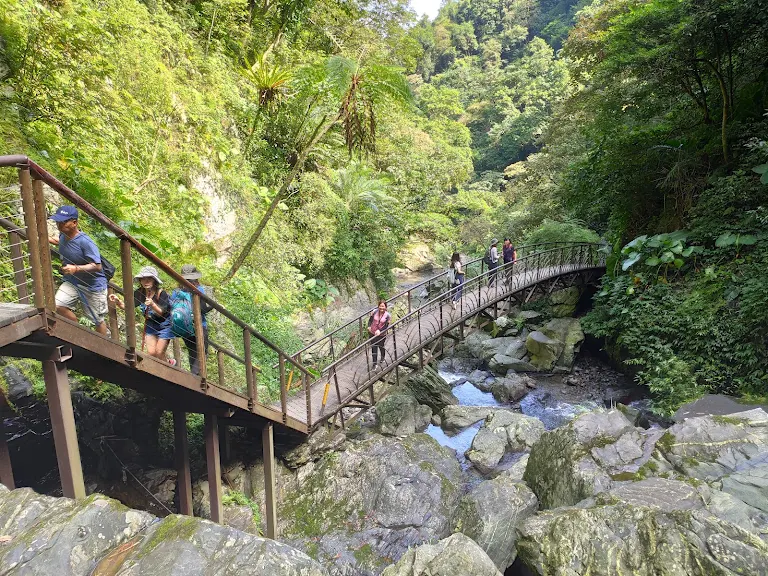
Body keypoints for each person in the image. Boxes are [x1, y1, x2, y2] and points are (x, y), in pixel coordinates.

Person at [48, 205, 108, 335]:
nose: (59, 224)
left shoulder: (85, 242)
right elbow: (62, 241)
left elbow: (97, 265)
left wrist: (76, 268)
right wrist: (49, 239)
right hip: (72, 282)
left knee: (97, 320)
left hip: (93, 286)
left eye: (63, 221)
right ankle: (78, 332)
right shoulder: (63, 235)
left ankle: (103, 348)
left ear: (74, 223)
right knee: (58, 305)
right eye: (58, 221)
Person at [109, 266, 172, 361]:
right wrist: (118, 301)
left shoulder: (161, 293)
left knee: (159, 352)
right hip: (150, 324)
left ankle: (168, 368)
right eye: (143, 279)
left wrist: (152, 305)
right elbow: (127, 307)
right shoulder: (139, 293)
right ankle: (161, 369)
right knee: (151, 353)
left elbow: (161, 313)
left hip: (165, 325)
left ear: (154, 280)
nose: (146, 281)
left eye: (149, 279)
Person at [171, 264, 213, 376]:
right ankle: (194, 378)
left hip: (183, 326)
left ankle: (193, 376)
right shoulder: (198, 289)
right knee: (202, 351)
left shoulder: (176, 292)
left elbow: (172, 308)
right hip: (199, 325)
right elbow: (202, 309)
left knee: (193, 352)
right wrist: (213, 306)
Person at [367, 300, 391, 370]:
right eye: (380, 306)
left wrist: (380, 331)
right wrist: (369, 326)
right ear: (378, 306)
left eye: (383, 306)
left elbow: (386, 326)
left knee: (381, 346)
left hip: (381, 334)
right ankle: (374, 364)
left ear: (386, 307)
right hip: (372, 332)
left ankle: (382, 357)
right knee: (374, 348)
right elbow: (370, 320)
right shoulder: (374, 312)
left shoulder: (388, 316)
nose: (381, 308)